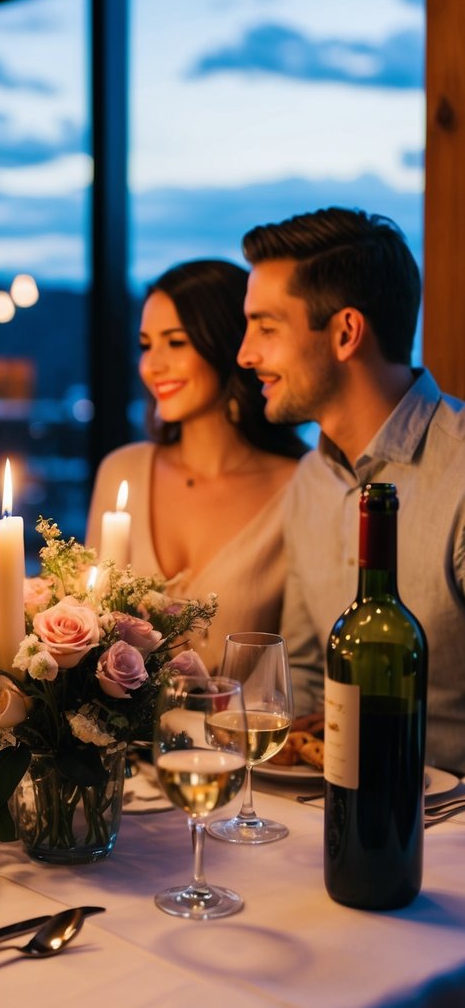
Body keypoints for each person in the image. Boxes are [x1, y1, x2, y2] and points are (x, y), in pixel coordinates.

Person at [238, 205, 465, 774]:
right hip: (332, 814)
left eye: (266, 328)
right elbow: (308, 683)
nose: (246, 354)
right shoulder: (310, 483)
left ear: (345, 333)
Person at [86, 259, 306, 671]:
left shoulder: (300, 486)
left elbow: (302, 668)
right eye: (146, 344)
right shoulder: (121, 472)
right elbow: (87, 634)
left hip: (246, 735)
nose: (152, 365)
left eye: (176, 342)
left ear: (227, 344)